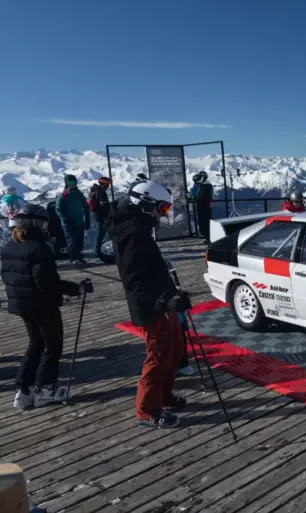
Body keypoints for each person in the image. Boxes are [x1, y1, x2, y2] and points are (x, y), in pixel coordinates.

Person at [106, 178, 191, 428]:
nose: (162, 214)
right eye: (162, 209)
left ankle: (162, 396)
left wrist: (172, 294)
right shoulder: (132, 233)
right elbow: (136, 280)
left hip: (162, 300)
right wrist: (165, 301)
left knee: (174, 350)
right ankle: (147, 411)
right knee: (158, 355)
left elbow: (150, 269)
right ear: (145, 204)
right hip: (151, 305)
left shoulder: (139, 228)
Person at [1, 204, 81, 409]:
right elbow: (45, 282)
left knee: (35, 343)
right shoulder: (39, 246)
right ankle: (46, 388)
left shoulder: (10, 245)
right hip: (42, 304)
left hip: (21, 303)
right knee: (52, 346)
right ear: (37, 223)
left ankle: (23, 389)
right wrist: (74, 288)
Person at [55, 174, 90, 264]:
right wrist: (64, 218)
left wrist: (87, 219)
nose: (73, 184)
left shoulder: (79, 194)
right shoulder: (63, 195)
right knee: (72, 241)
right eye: (70, 183)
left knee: (79, 240)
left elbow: (86, 206)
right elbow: (58, 209)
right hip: (68, 223)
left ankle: (79, 257)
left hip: (79, 221)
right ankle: (74, 259)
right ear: (66, 183)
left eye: (75, 182)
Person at [88, 177, 112, 260]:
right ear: (104, 184)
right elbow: (103, 204)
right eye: (107, 184)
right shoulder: (100, 192)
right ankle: (97, 251)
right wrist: (111, 206)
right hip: (102, 215)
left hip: (98, 215)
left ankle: (97, 251)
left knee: (100, 233)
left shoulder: (96, 190)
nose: (108, 186)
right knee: (102, 233)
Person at [190, 171, 213, 244]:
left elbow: (197, 195)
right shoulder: (208, 185)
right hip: (206, 206)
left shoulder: (202, 186)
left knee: (204, 221)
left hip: (202, 205)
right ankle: (207, 236)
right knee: (206, 221)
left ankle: (207, 237)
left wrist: (193, 198)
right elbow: (210, 195)